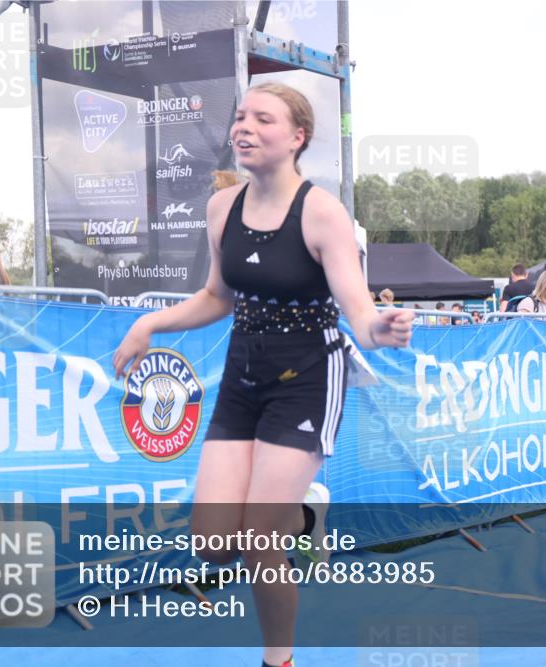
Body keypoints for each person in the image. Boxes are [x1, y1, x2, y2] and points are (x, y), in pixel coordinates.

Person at [113, 82, 413, 667]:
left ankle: (278, 659)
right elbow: (216, 297)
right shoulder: (221, 208)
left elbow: (359, 315)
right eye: (241, 117)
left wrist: (384, 329)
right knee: (213, 543)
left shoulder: (322, 211)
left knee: (257, 542)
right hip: (243, 375)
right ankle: (304, 514)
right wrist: (149, 323)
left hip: (307, 378)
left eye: (263, 120)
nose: (244, 128)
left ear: (297, 137)